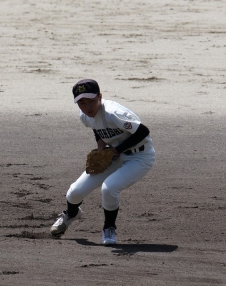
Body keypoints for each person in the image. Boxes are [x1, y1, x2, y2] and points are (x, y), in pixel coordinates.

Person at [50, 79, 155, 245]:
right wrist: (101, 146)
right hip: (114, 155)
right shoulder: (85, 116)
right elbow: (97, 128)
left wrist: (116, 150)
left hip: (140, 157)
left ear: (100, 97)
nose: (87, 107)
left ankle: (109, 228)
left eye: (91, 101)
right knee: (74, 192)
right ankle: (71, 214)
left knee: (109, 188)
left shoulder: (113, 113)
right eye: (82, 103)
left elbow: (143, 131)